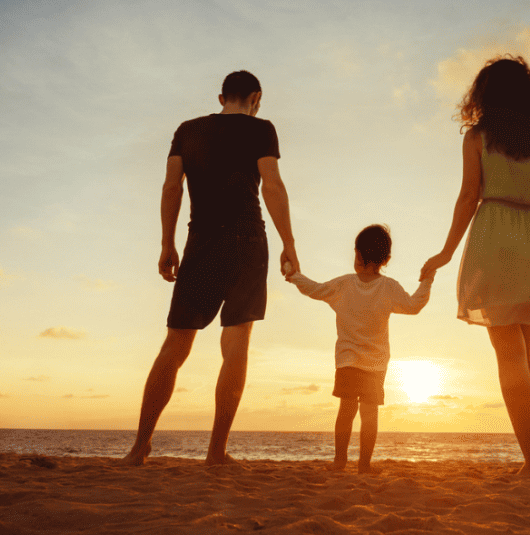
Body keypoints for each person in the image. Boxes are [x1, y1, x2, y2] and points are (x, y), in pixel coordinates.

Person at [121, 70, 299, 466]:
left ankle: (139, 447)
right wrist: (289, 243)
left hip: (200, 239)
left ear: (221, 96)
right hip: (247, 239)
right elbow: (272, 183)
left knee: (175, 345)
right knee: (236, 346)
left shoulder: (187, 130)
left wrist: (167, 243)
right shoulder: (261, 129)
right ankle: (216, 451)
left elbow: (172, 187)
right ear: (255, 97)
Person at [421, 55, 530, 476]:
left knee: (510, 357)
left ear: (486, 96)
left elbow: (467, 198)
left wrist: (444, 252)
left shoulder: (478, 138)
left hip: (495, 238)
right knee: (526, 356)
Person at [287, 225, 433, 474]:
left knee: (346, 410)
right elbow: (414, 305)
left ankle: (339, 461)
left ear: (356, 253)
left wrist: (293, 275)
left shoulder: (344, 285)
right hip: (375, 364)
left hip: (347, 360)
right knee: (369, 414)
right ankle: (364, 464)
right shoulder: (389, 287)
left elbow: (313, 289)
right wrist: (427, 280)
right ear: (386, 259)